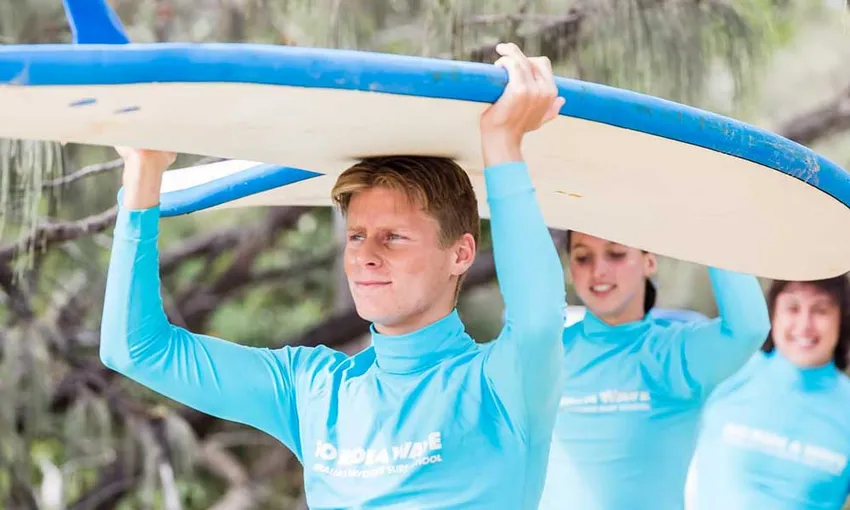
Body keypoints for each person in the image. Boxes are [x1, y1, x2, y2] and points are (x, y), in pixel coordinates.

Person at [99, 43, 567, 509]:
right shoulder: (312, 388)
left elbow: (538, 318)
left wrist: (503, 144)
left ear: (461, 253)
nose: (366, 256)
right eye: (357, 236)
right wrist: (143, 171)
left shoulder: (501, 383)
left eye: (394, 237)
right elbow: (136, 349)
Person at [537, 230, 771, 510]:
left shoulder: (675, 354)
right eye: (583, 257)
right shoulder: (549, 354)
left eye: (616, 253)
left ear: (649, 261)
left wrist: (711, 220)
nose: (598, 271)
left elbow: (748, 329)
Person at [687, 274, 850, 510]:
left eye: (821, 310)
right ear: (772, 312)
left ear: (842, 319)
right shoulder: (727, 371)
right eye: (792, 308)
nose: (804, 325)